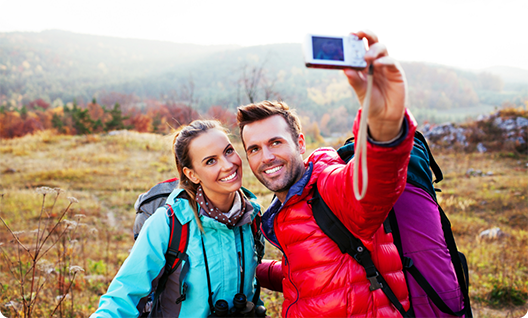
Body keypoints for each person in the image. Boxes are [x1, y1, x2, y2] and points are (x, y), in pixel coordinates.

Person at [238, 30, 417, 318]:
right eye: (254, 149)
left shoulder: (331, 187)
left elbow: (375, 183)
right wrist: (248, 271)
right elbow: (311, 267)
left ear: (300, 143)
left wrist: (383, 124)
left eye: (275, 142)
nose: (266, 157)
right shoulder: (285, 209)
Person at [91, 120, 265, 318]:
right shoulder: (168, 224)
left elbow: (252, 290)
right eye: (210, 161)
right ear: (192, 174)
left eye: (228, 151)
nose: (228, 165)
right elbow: (122, 297)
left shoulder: (253, 218)